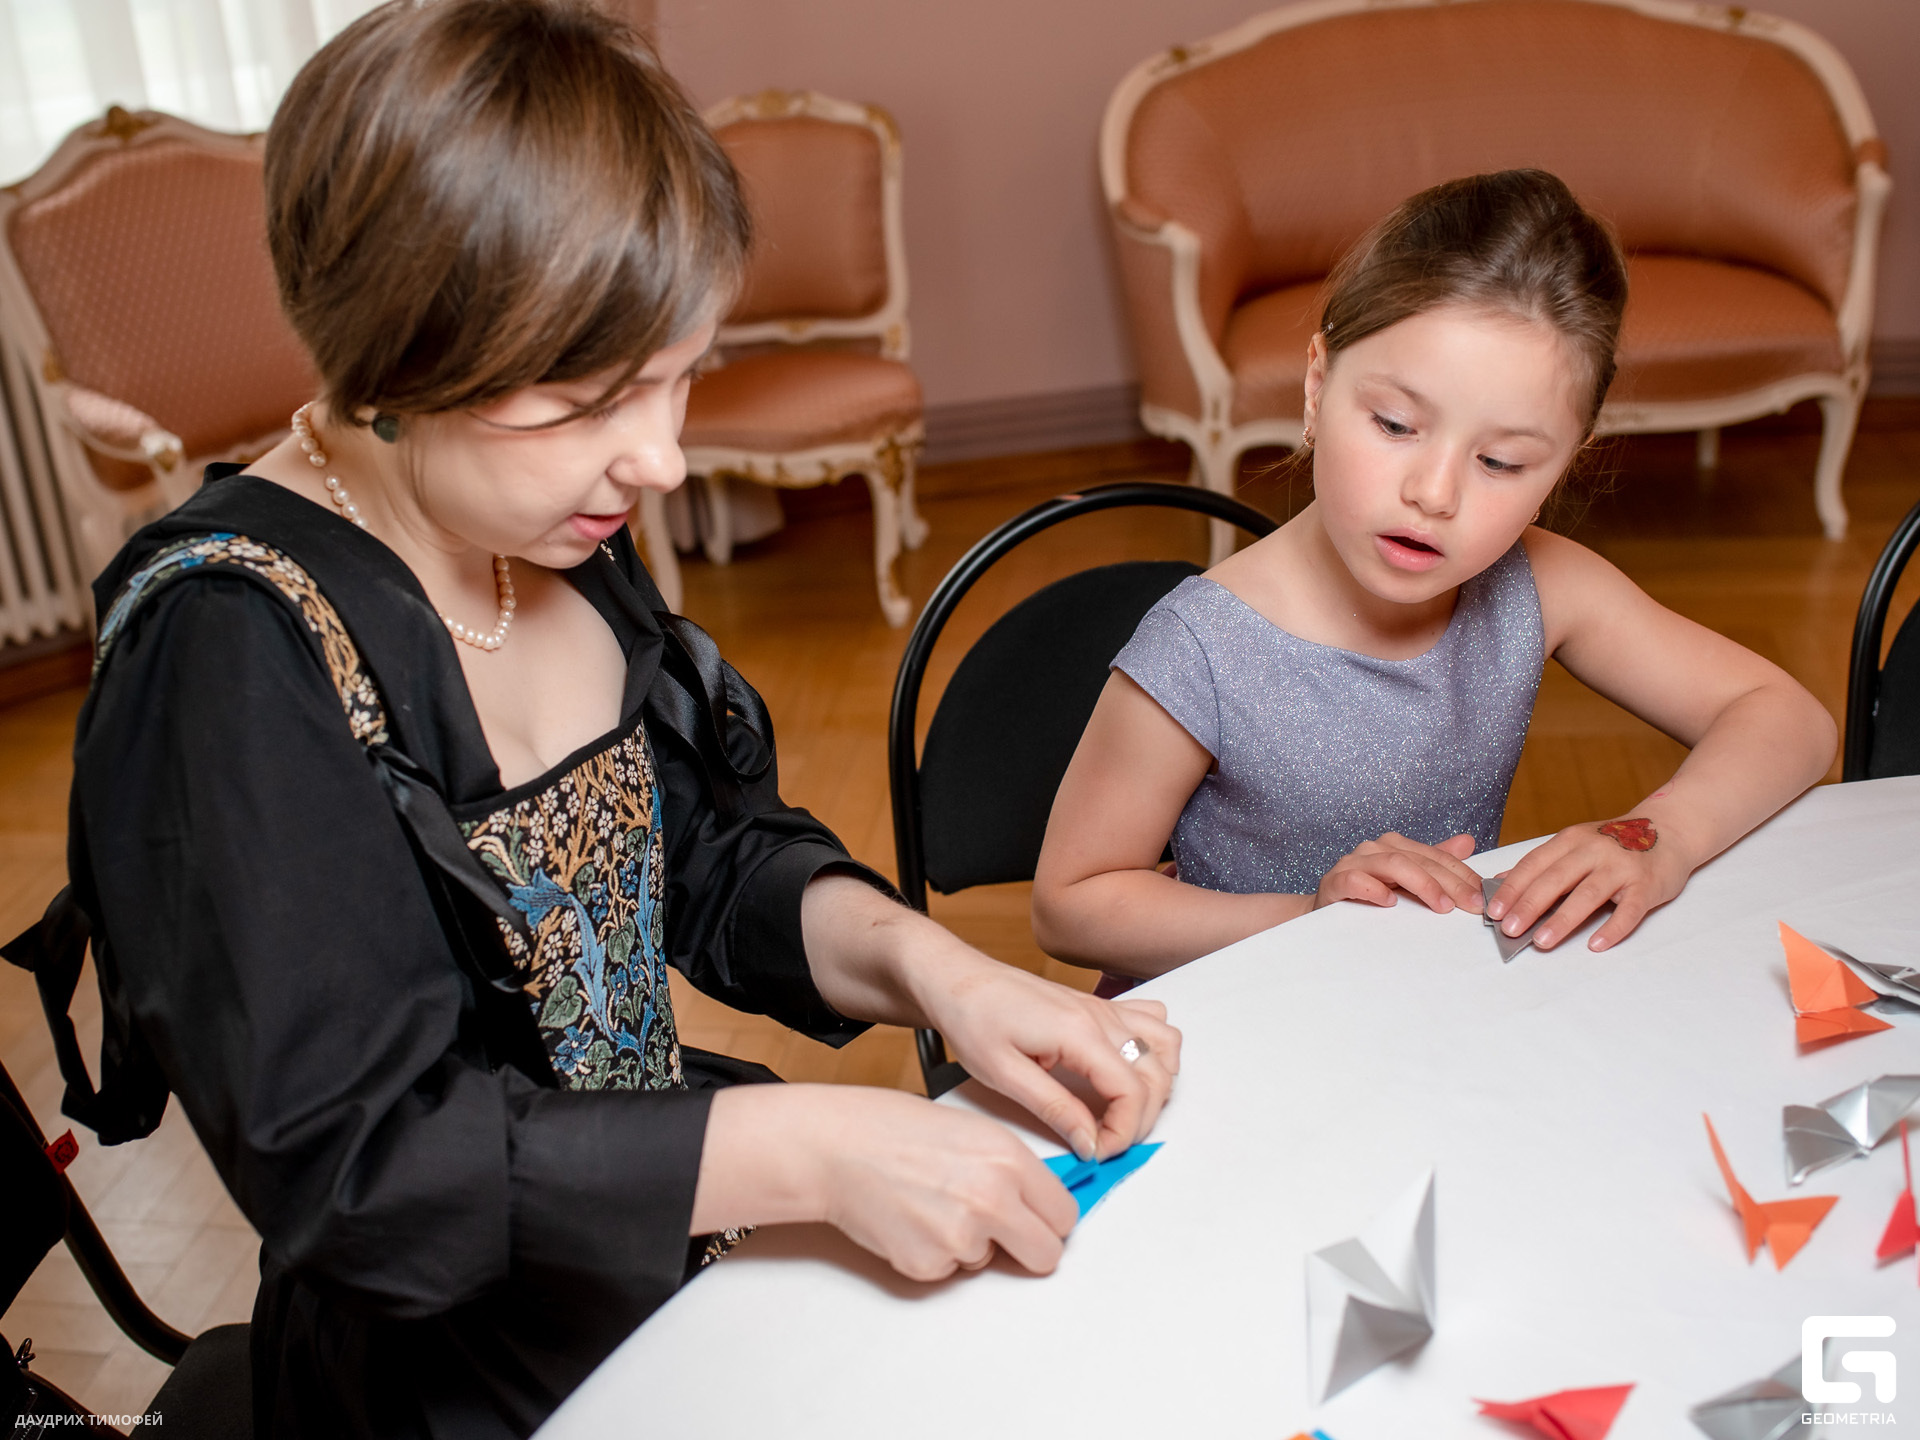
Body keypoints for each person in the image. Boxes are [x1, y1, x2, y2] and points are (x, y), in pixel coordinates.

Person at [48, 2, 1180, 1434]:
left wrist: (938, 972)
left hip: (659, 1212)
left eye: (680, 375)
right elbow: (364, 1174)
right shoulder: (229, 648)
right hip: (450, 1361)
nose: (661, 458)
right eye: (591, 401)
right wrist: (811, 1148)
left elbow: (703, 858)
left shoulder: (539, 517)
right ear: (396, 360)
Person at [1031, 169, 1836, 983]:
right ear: (1317, 386)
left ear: (1565, 463)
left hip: (1425, 1009)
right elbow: (1070, 904)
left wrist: (1659, 837)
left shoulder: (1544, 584)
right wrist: (1311, 918)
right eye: (1394, 424)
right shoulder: (1203, 645)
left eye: (1501, 461)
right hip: (1232, 1024)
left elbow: (1788, 719)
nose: (1434, 493)